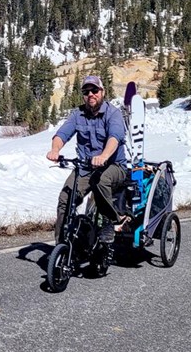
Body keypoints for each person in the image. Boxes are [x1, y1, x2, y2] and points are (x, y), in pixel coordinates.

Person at [46, 75, 129, 261]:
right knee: (65, 199)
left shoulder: (113, 114)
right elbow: (62, 134)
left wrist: (104, 156)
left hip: (113, 166)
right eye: (86, 91)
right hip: (85, 168)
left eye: (94, 90)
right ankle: (63, 248)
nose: (91, 94)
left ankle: (109, 223)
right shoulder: (78, 114)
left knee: (101, 183)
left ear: (102, 92)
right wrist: (55, 149)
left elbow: (114, 138)